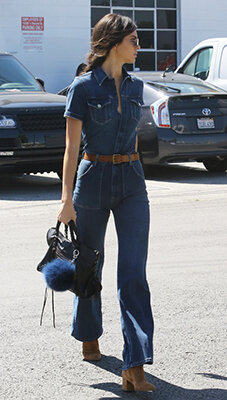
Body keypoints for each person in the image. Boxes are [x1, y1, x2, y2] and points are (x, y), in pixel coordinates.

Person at [58, 13, 155, 392]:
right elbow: (70, 149)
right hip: (92, 179)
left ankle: (135, 365)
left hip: (131, 181)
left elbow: (131, 140)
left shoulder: (136, 87)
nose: (138, 46)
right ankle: (89, 332)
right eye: (134, 39)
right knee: (88, 266)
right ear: (114, 42)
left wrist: (134, 175)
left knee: (134, 274)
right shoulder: (82, 88)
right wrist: (66, 200)